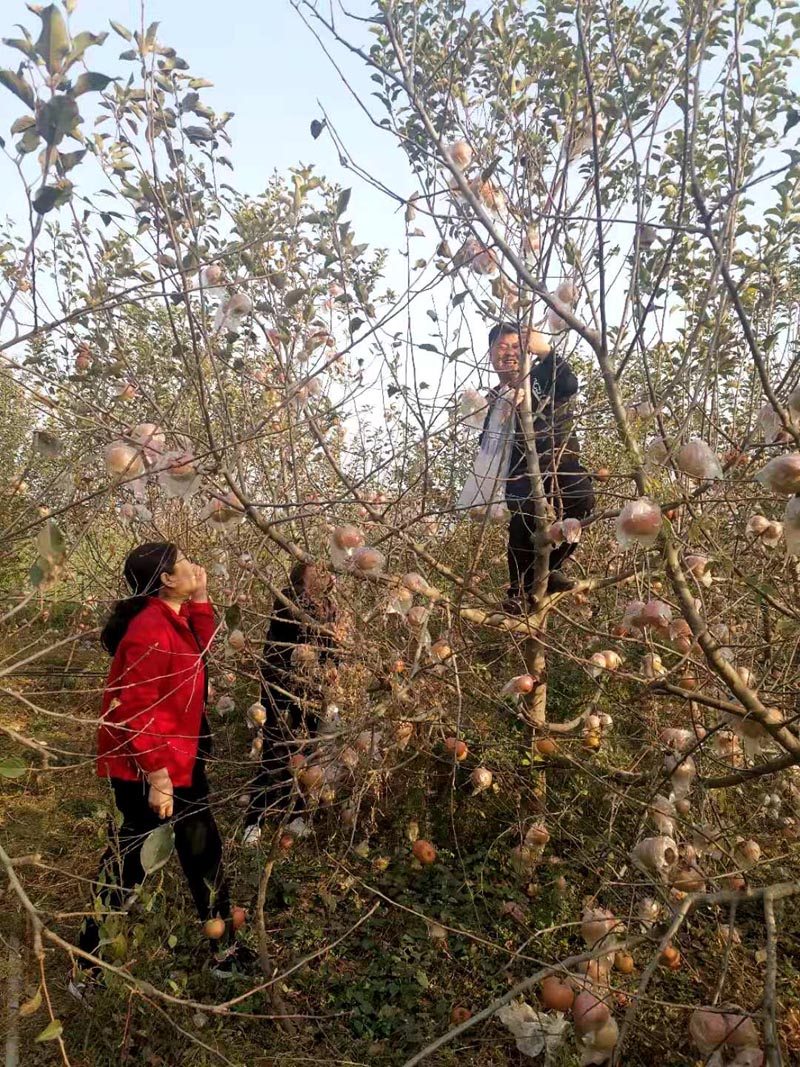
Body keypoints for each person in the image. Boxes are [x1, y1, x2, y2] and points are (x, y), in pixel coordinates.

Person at [76, 542, 233, 982]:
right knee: (131, 863)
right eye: (185, 562)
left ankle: (225, 951)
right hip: (149, 767)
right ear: (165, 579)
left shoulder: (171, 619)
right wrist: (157, 774)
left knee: (202, 851)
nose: (195, 565)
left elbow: (199, 651)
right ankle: (87, 966)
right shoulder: (149, 628)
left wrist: (201, 600)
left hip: (179, 758)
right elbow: (132, 707)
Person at [466, 322, 595, 610]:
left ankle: (550, 570)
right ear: (490, 355)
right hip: (519, 472)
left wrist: (547, 352)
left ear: (527, 350)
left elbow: (568, 384)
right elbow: (488, 448)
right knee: (522, 519)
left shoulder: (540, 376)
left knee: (582, 501)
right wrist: (501, 411)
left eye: (516, 346)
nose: (509, 353)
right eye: (502, 347)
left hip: (560, 462)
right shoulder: (493, 400)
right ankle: (520, 593)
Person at [243, 561, 339, 846]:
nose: (324, 574)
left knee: (305, 754)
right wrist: (331, 627)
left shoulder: (330, 605)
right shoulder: (287, 598)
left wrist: (334, 669)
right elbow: (304, 621)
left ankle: (294, 813)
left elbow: (331, 649)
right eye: (316, 571)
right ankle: (253, 820)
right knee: (274, 750)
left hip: (313, 691)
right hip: (281, 688)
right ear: (301, 580)